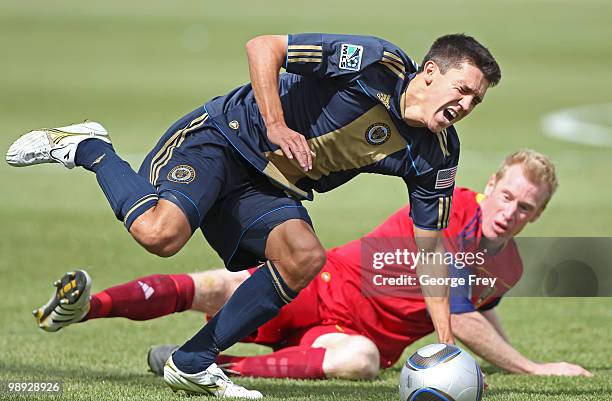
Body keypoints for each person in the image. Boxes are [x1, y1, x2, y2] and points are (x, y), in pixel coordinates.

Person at [7, 33, 501, 397]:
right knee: (161, 234)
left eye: (475, 100)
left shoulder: (436, 154)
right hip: (222, 139)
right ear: (431, 72)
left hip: (267, 185)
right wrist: (277, 124)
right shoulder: (375, 62)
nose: (465, 103)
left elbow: (431, 251)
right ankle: (91, 147)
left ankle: (193, 360)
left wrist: (444, 346)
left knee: (304, 257)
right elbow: (264, 47)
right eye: (461, 89)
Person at [33, 150, 592, 379]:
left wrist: (508, 355)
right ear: (491, 185)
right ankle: (84, 307)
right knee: (219, 285)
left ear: (537, 215)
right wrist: (532, 369)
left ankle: (210, 367)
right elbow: (460, 315)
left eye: (527, 207)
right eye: (509, 195)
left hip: (342, 335)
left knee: (364, 361)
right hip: (322, 287)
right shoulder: (455, 207)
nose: (512, 211)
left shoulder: (509, 264)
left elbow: (482, 310)